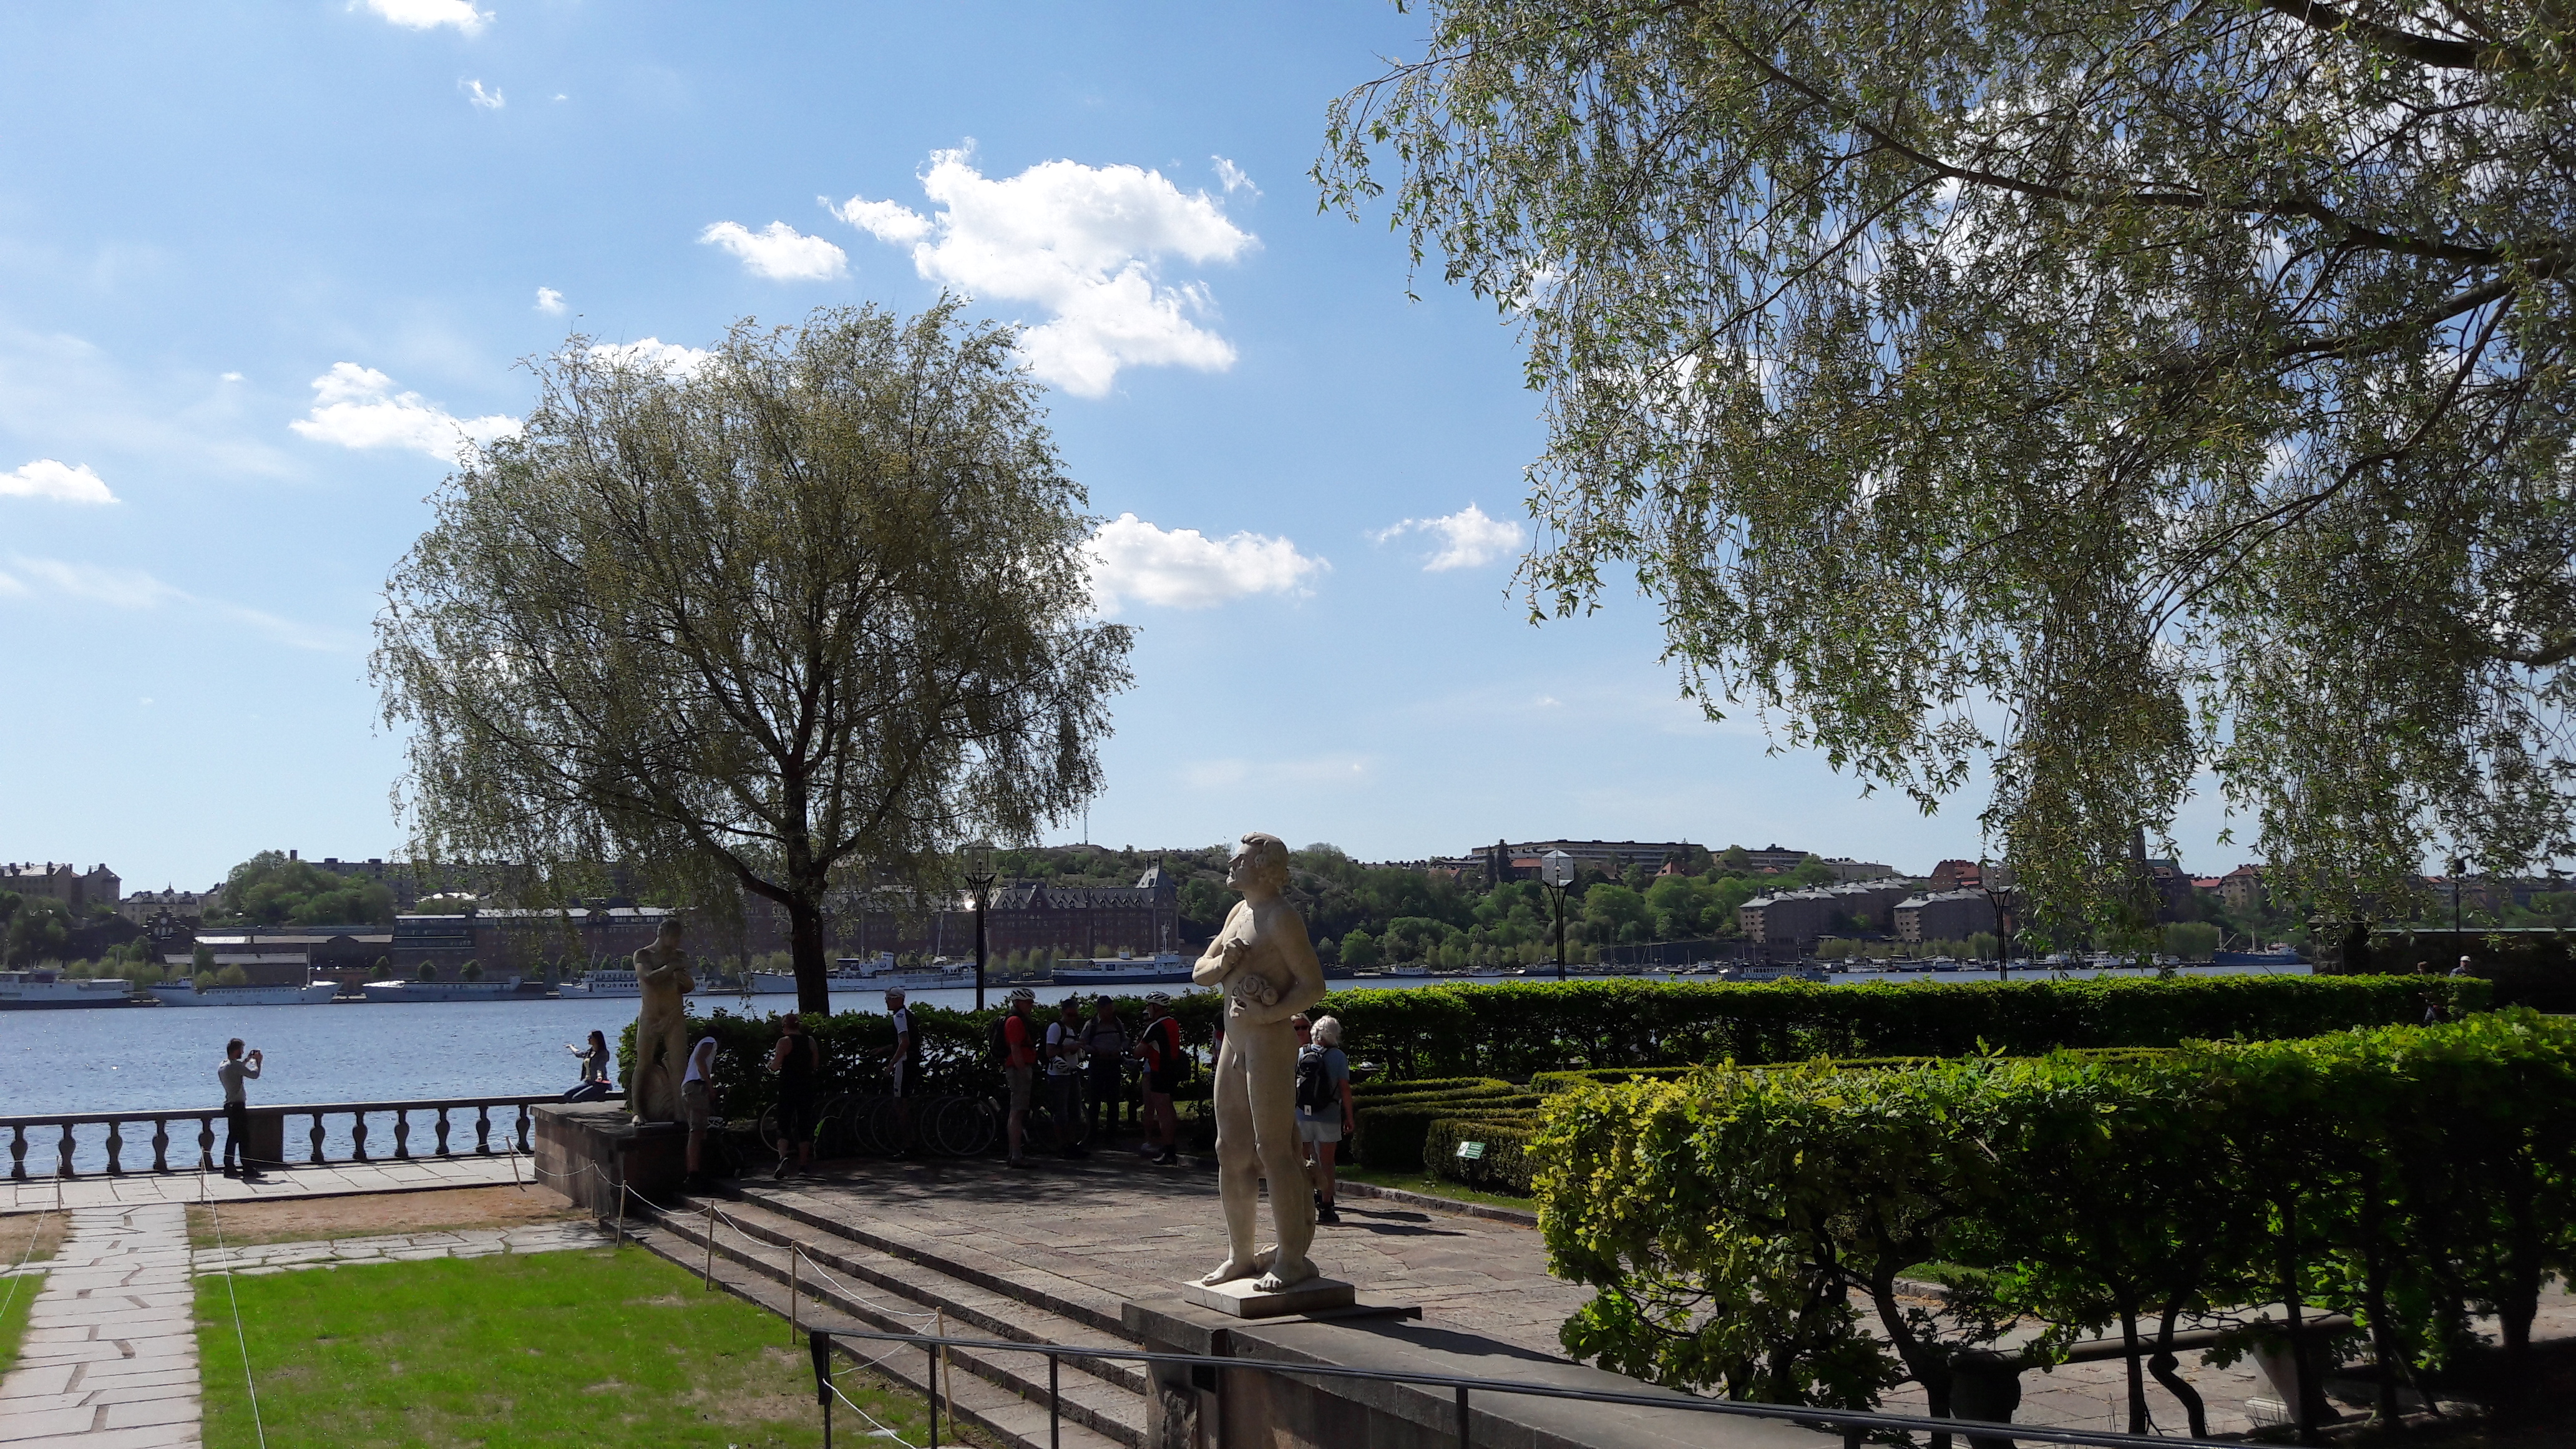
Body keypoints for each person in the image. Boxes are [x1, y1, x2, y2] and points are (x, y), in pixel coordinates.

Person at [1193, 832, 1329, 1292]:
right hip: (1235, 1042)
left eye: (1241, 859)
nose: (1231, 864)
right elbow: (1200, 972)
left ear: (1264, 868)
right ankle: (1241, 1255)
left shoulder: (1280, 917)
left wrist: (1270, 1014)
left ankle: (1291, 1259)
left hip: (1267, 1041)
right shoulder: (1239, 912)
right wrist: (1225, 963)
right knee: (1229, 1150)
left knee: (1273, 1151)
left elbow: (1313, 986)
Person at [1295, 1015, 1355, 1224]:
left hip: (1302, 1115)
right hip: (1329, 1114)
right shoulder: (1338, 1056)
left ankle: (1305, 1201)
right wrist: (1349, 1117)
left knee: (1303, 1161)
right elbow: (1344, 1089)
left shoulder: (1301, 1052)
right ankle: (1327, 1206)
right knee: (1327, 1163)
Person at [768, 1013, 820, 1178]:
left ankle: (783, 1158)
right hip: (806, 1086)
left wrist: (769, 1066)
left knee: (783, 1123)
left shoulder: (784, 1042)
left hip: (788, 1086)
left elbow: (776, 1065)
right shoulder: (810, 1041)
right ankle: (803, 1165)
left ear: (785, 1026)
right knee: (804, 1124)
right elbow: (815, 1063)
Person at [1134, 993, 1183, 1166]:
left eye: (1149, 1006)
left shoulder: (1155, 1026)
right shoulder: (1173, 1023)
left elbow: (1138, 1052)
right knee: (1169, 1109)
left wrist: (1137, 1045)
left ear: (1156, 1007)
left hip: (1158, 1071)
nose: (1148, 1009)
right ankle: (1170, 1146)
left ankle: (1169, 1150)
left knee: (1163, 1113)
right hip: (1172, 1071)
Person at [1079, 995, 1130, 1142]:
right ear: (1100, 1010)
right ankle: (1092, 1134)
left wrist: (1120, 1049)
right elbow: (1083, 1044)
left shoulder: (1117, 1023)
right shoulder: (1092, 1025)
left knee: (1113, 1100)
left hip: (1114, 1064)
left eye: (1111, 1009)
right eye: (1107, 1010)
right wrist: (1096, 1051)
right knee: (1095, 1100)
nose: (1110, 1013)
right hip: (1098, 1064)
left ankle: (1112, 1135)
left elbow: (1125, 1040)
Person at [1045, 996, 1090, 1158]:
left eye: (1075, 1015)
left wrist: (1077, 1049)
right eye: (1070, 1015)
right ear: (1063, 1013)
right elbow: (1050, 1052)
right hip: (1058, 1076)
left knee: (1075, 1112)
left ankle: (1072, 1144)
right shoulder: (1056, 1028)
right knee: (1061, 1113)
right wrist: (1070, 1047)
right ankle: (1062, 1146)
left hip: (1072, 1073)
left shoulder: (1072, 1030)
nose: (1073, 1018)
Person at [1001, 989, 1040, 1168]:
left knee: (1017, 1111)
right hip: (1018, 1070)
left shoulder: (1018, 1020)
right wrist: (1023, 1070)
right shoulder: (1015, 1021)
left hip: (1020, 1068)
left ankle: (1013, 1153)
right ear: (1018, 1003)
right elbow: (1015, 1048)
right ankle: (1016, 1155)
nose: (1031, 1006)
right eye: (1028, 1002)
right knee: (1017, 1112)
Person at [217, 1038, 265, 1181]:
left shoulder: (223, 1065)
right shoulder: (235, 1066)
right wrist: (258, 1062)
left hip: (229, 1105)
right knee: (244, 1139)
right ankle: (248, 1168)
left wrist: (248, 1059)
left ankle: (229, 1167)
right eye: (241, 1050)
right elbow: (254, 1075)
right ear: (236, 1050)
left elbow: (237, 1068)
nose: (242, 1053)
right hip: (238, 1106)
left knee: (232, 1137)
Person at [680, 1032, 719, 1189]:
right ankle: (693, 1174)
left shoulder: (700, 1043)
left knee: (696, 1131)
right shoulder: (710, 1040)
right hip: (697, 1087)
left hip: (688, 1087)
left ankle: (695, 1171)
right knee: (697, 1132)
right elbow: (700, 1060)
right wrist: (710, 1086)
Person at [883, 989, 917, 1156]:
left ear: (899, 1000)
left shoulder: (899, 1017)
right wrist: (883, 1049)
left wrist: (891, 1064)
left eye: (889, 998)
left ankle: (908, 1146)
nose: (887, 1001)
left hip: (904, 1063)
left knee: (900, 1103)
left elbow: (904, 1042)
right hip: (911, 1061)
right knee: (903, 1102)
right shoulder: (908, 1015)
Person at [563, 1030, 613, 1101]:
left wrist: (599, 1077)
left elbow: (600, 1067)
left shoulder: (603, 1053)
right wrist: (571, 1047)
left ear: (597, 1039)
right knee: (567, 1095)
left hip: (599, 1084)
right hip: (588, 1082)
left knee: (576, 1099)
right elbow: (578, 1054)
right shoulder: (589, 1052)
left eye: (590, 1037)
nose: (588, 1039)